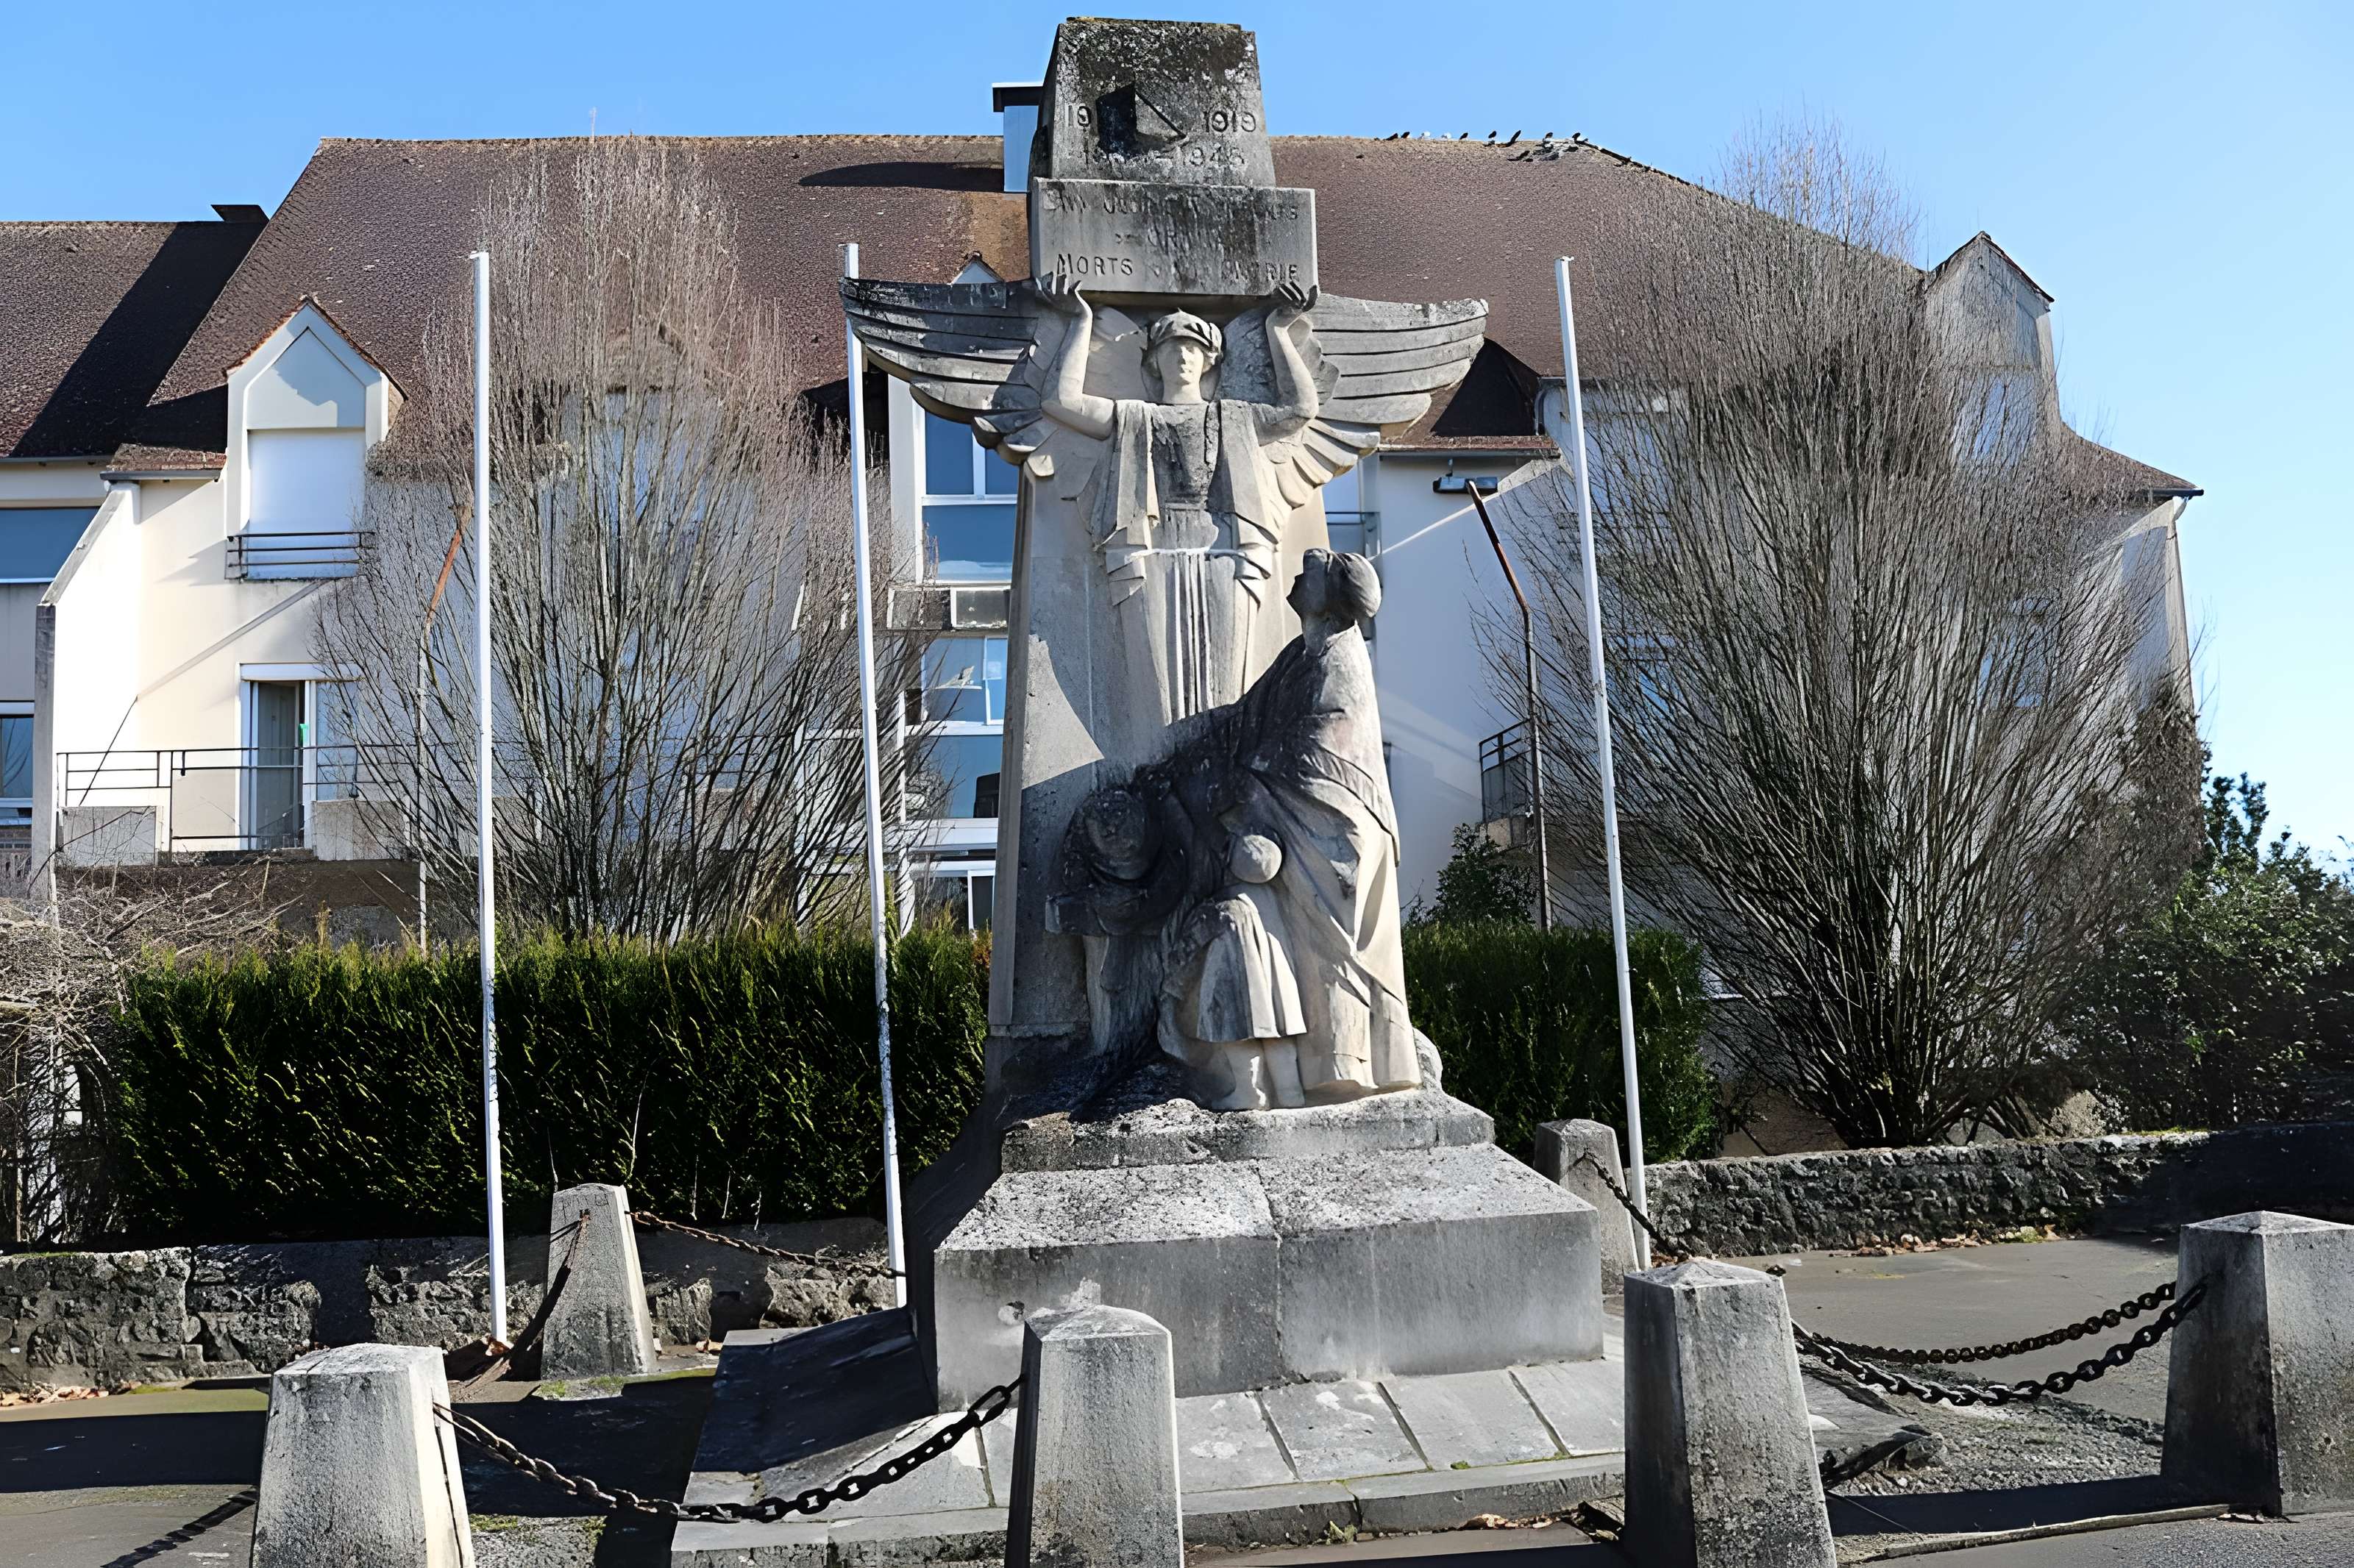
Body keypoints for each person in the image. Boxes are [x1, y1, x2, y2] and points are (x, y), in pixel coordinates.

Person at [1033, 274, 1320, 722]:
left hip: (1224, 550)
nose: (1183, 357)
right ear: (1153, 360)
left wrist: (1278, 329)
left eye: (1194, 349)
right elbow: (1060, 400)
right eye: (1172, 348)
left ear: (1210, 361)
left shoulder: (1235, 418)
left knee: (1229, 679)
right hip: (1153, 552)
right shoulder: (1134, 417)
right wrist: (1080, 320)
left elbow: (1300, 410)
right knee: (1157, 685)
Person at [1228, 549, 1418, 1099]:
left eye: (1315, 566)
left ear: (1332, 599)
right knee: (1320, 947)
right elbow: (1248, 715)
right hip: (1306, 815)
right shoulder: (1301, 654)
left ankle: (1346, 1067)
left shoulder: (1343, 659)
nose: (1300, 567)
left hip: (1336, 825)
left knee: (1337, 951)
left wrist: (1252, 769)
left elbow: (1325, 743)